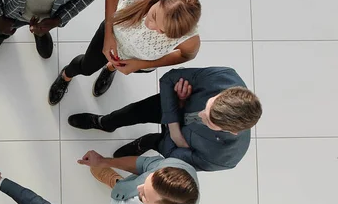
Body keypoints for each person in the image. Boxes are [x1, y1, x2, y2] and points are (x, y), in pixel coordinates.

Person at [68, 67, 262, 172]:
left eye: (209, 121)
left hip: (168, 142)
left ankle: (142, 143)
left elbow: (174, 159)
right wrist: (178, 118)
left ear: (233, 131)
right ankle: (104, 123)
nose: (202, 114)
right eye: (208, 105)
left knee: (156, 142)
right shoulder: (224, 78)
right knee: (129, 113)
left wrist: (174, 135)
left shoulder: (223, 157)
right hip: (170, 108)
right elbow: (169, 78)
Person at [49, 0, 201, 105]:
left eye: (163, 32)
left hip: (139, 60)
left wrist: (142, 64)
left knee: (116, 66)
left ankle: (110, 68)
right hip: (111, 36)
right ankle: (66, 75)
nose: (151, 26)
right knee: (86, 67)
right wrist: (108, 34)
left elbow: (187, 55)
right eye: (154, 16)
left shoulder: (189, 39)